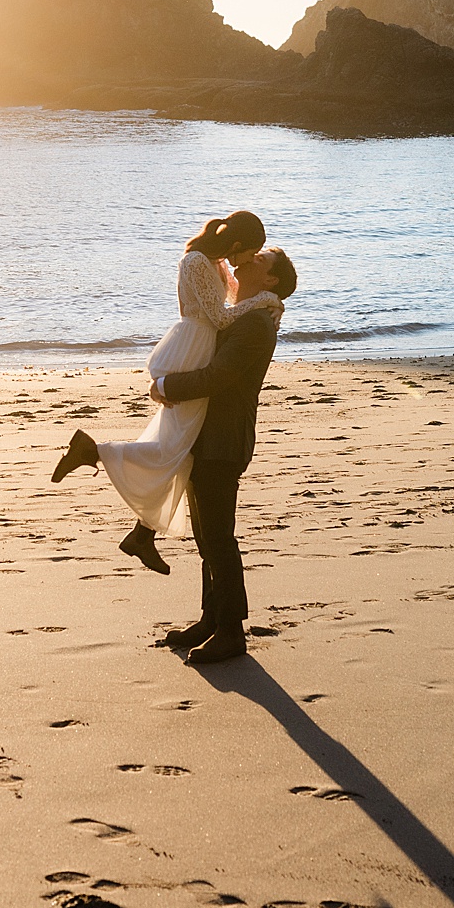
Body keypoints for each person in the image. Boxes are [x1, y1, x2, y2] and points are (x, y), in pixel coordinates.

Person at [50, 213, 284, 575]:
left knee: (177, 446)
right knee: (174, 446)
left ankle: (141, 531)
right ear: (237, 245)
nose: (250, 260)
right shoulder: (198, 261)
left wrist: (270, 301)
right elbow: (223, 318)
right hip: (192, 349)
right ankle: (98, 459)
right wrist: (267, 299)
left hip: (199, 349)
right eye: (252, 252)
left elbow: (234, 311)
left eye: (257, 257)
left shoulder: (217, 264)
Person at [150, 244, 295, 665]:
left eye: (261, 259)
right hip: (207, 435)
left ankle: (231, 631)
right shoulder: (242, 315)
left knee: (218, 539)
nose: (250, 259)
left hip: (223, 440)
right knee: (206, 539)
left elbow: (221, 376)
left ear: (271, 281)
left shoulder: (255, 324)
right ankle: (211, 618)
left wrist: (166, 388)